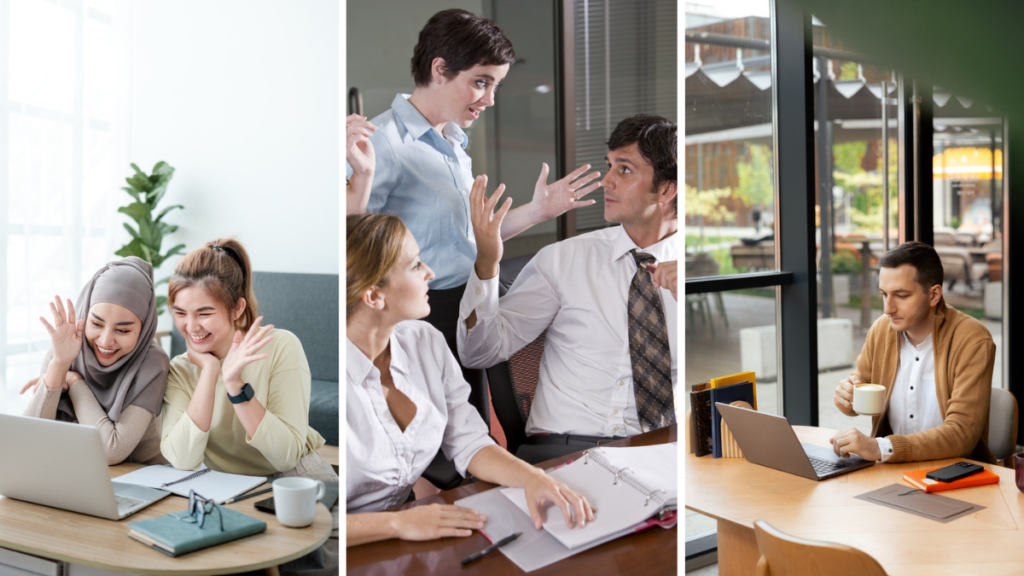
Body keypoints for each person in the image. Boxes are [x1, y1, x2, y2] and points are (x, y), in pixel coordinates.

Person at [346, 8, 601, 424]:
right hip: (422, 312)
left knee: (473, 427)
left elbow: (468, 241)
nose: (490, 99)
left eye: (495, 85)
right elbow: (350, 239)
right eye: (481, 82)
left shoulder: (451, 140)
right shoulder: (383, 144)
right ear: (439, 69)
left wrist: (539, 210)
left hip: (468, 303)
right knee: (436, 436)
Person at [346, 213, 594, 546]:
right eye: (416, 265)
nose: (430, 273)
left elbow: (470, 442)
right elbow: (319, 515)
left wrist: (533, 478)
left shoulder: (425, 342)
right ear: (374, 296)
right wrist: (398, 524)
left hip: (411, 528)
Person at [457, 115, 679, 463]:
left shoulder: (693, 275)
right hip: (567, 449)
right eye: (609, 166)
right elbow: (480, 353)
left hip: (662, 452)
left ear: (666, 190)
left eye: (624, 170)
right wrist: (486, 264)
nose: (606, 180)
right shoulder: (564, 260)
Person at [160, 239, 336, 574]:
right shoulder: (182, 369)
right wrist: (210, 371)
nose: (191, 327)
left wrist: (235, 386)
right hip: (227, 488)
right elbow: (182, 459)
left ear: (237, 308)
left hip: (294, 480)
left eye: (204, 313)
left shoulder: (281, 346)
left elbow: (285, 456)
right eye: (180, 313)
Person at [830, 241, 997, 464]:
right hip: (892, 469)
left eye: (901, 295)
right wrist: (846, 397)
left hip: (954, 472)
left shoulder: (972, 340)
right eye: (884, 294)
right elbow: (861, 384)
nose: (888, 308)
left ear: (934, 295)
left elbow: (961, 433)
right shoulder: (881, 330)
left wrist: (881, 447)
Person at [22, 257, 169, 466]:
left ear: (144, 329)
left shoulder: (153, 363)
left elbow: (111, 449)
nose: (105, 341)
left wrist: (74, 381)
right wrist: (59, 364)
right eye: (97, 324)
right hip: (74, 471)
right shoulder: (65, 348)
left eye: (123, 330)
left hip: (141, 477)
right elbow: (29, 438)